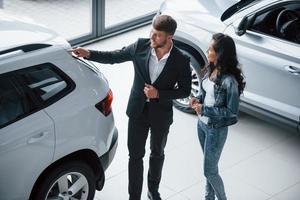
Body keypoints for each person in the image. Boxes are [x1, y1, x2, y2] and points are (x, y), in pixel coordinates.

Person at [71, 15, 191, 200]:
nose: (151, 36)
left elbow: (185, 90)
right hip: (138, 112)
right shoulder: (140, 46)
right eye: (151, 31)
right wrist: (89, 53)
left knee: (157, 154)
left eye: (157, 35)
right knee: (135, 156)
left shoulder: (181, 60)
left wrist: (158, 94)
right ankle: (133, 196)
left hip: (161, 116)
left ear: (169, 38)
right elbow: (114, 57)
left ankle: (153, 191)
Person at [189, 33, 245, 200]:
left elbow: (231, 113)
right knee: (210, 168)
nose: (207, 51)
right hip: (202, 125)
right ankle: (209, 198)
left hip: (216, 130)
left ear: (220, 54)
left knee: (209, 170)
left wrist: (204, 109)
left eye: (211, 49)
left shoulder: (230, 81)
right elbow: (205, 93)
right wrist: (197, 100)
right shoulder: (211, 69)